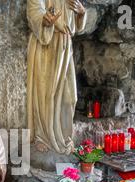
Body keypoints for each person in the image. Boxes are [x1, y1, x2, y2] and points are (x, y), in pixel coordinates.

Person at [27, 0, 86, 154]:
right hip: (46, 47)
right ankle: (43, 137)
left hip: (65, 47)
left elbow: (76, 25)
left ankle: (64, 138)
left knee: (70, 97)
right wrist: (45, 20)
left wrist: (81, 13)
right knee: (46, 95)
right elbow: (34, 11)